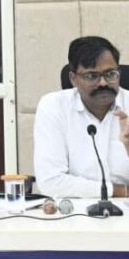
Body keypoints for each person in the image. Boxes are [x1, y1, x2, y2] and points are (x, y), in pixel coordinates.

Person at [34, 36, 129, 198]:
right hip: (75, 208)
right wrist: (121, 191)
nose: (103, 83)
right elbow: (51, 182)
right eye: (92, 76)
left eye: (110, 74)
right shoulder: (54, 107)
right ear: (73, 79)